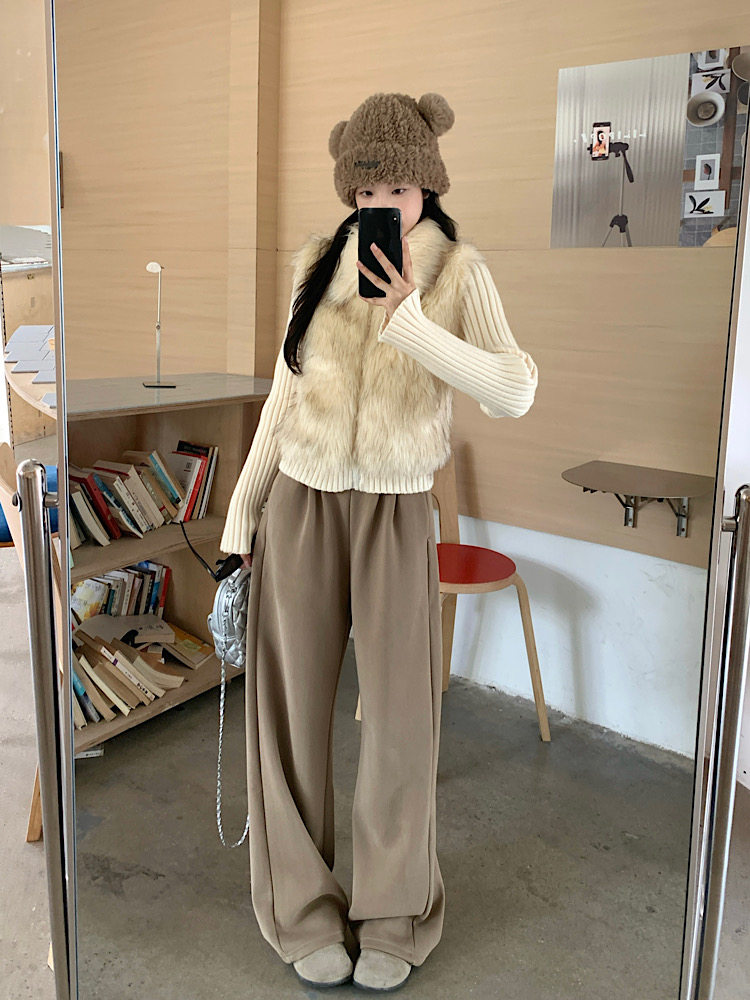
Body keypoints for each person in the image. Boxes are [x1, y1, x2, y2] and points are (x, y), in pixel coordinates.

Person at [219, 91, 539, 992]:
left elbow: (514, 390)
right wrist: (242, 516)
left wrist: (412, 325)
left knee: (401, 716)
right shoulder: (316, 265)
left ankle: (396, 915)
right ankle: (299, 910)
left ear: (426, 187)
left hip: (397, 510)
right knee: (288, 712)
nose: (378, 207)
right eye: (364, 191)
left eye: (395, 189)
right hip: (302, 502)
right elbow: (284, 397)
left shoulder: (458, 273)